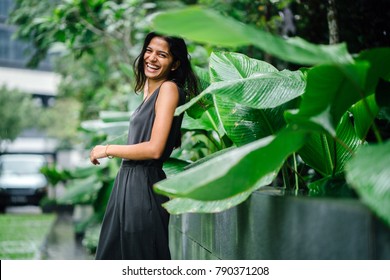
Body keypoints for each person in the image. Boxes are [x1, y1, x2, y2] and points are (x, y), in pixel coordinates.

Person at [89, 32, 199, 260]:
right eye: (149, 51)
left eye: (162, 54)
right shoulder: (149, 93)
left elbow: (155, 149)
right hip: (128, 185)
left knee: (141, 259)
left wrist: (107, 149)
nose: (152, 58)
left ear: (175, 63)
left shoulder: (168, 89)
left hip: (143, 186)